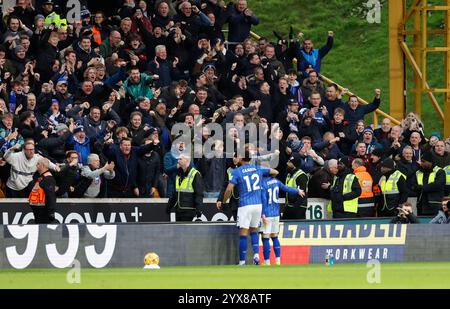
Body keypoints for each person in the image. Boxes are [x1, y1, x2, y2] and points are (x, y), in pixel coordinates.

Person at [222, 151, 278, 266]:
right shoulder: (257, 168)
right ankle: (256, 255)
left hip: (245, 205)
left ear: (241, 158)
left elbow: (228, 189)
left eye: (237, 157)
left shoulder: (237, 171)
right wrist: (264, 181)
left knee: (243, 233)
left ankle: (242, 262)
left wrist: (224, 201)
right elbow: (275, 172)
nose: (235, 159)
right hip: (258, 205)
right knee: (254, 230)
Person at [261, 175, 304, 266]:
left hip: (267, 214)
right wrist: (297, 190)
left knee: (265, 238)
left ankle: (267, 261)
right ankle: (278, 260)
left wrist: (263, 214)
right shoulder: (276, 181)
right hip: (276, 213)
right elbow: (286, 188)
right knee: (275, 237)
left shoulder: (263, 184)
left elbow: (264, 200)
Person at [167, 154, 203, 222]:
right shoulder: (178, 174)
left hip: (189, 209)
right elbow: (175, 193)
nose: (178, 161)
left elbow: (199, 193)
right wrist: (169, 207)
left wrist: (199, 209)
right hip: (178, 210)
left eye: (180, 159)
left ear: (187, 161)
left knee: (186, 231)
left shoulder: (195, 174)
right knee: (179, 231)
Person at [413, 151, 446, 216]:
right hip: (421, 204)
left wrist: (421, 187)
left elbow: (437, 185)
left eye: (423, 161)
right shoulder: (418, 172)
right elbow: (413, 186)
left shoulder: (440, 171)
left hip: (435, 204)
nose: (421, 163)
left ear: (430, 162)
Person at [28, 157, 57, 224]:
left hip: (44, 210)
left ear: (43, 166)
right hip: (38, 209)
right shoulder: (40, 177)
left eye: (38, 164)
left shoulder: (48, 178)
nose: (36, 165)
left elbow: (51, 196)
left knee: (43, 230)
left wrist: (51, 212)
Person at [283, 153, 308, 219]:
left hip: (298, 207)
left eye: (290, 162)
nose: (287, 163)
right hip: (289, 206)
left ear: (294, 164)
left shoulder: (301, 175)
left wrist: (295, 208)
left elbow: (302, 194)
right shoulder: (289, 174)